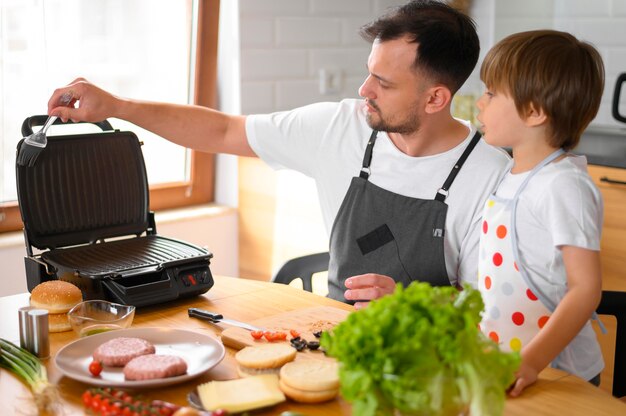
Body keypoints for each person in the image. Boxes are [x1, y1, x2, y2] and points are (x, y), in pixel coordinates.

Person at [48, 1, 509, 307]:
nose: (363, 90)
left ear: (435, 99)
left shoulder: (491, 175)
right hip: (334, 340)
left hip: (435, 362)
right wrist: (118, 106)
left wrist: (410, 303)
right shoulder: (339, 128)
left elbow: (491, 305)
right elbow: (224, 129)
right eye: (369, 72)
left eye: (384, 84)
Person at [475, 30, 605, 396]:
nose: (480, 104)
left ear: (533, 111)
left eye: (491, 93)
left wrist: (532, 360)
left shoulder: (563, 185)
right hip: (506, 364)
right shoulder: (511, 175)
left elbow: (586, 289)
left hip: (557, 373)